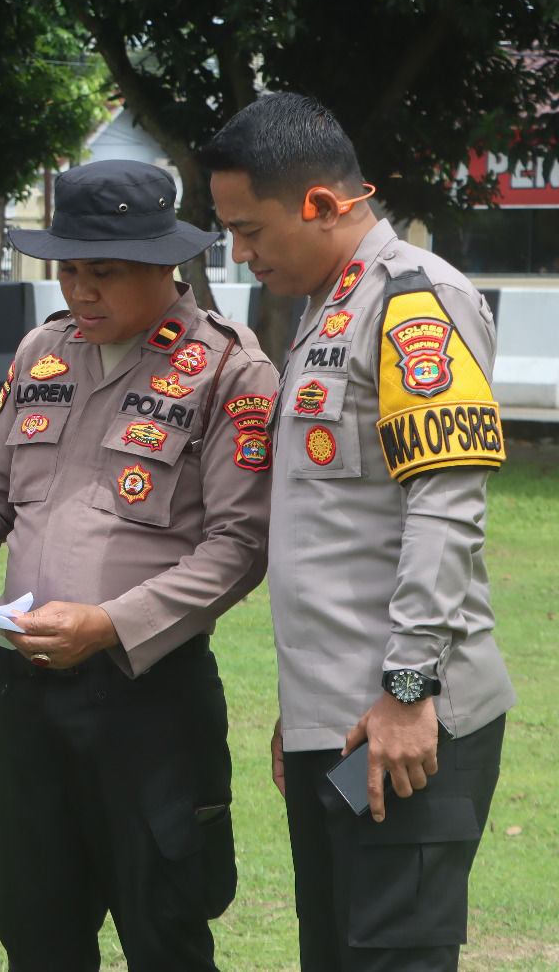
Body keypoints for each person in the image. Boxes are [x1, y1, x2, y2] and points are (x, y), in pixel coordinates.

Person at [0, 158, 278, 970]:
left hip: (147, 704)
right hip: (28, 698)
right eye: (68, 270)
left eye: (105, 272)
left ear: (164, 265)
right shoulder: (44, 351)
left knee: (164, 932)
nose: (81, 291)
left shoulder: (229, 369)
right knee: (36, 931)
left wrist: (110, 624)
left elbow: (239, 548)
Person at [202, 92, 515, 971]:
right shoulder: (327, 307)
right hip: (339, 722)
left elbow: (444, 505)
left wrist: (409, 689)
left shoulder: (414, 301)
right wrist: (305, 711)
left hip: (408, 720)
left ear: (320, 204)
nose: (241, 253)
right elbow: (333, 531)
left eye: (250, 229)